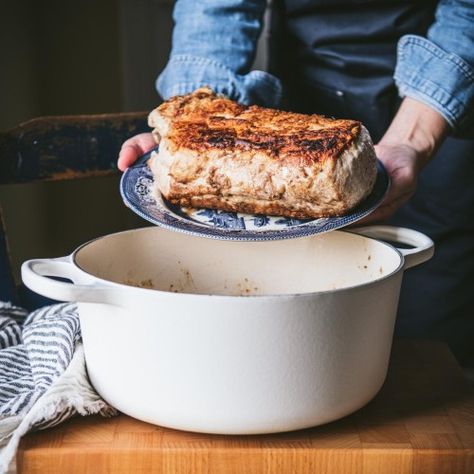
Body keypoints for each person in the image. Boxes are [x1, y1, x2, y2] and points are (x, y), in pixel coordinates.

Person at [118, 0, 474, 362]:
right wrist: (196, 117)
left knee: (432, 341)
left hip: (440, 111)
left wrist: (410, 139)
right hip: (304, 100)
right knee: (295, 324)